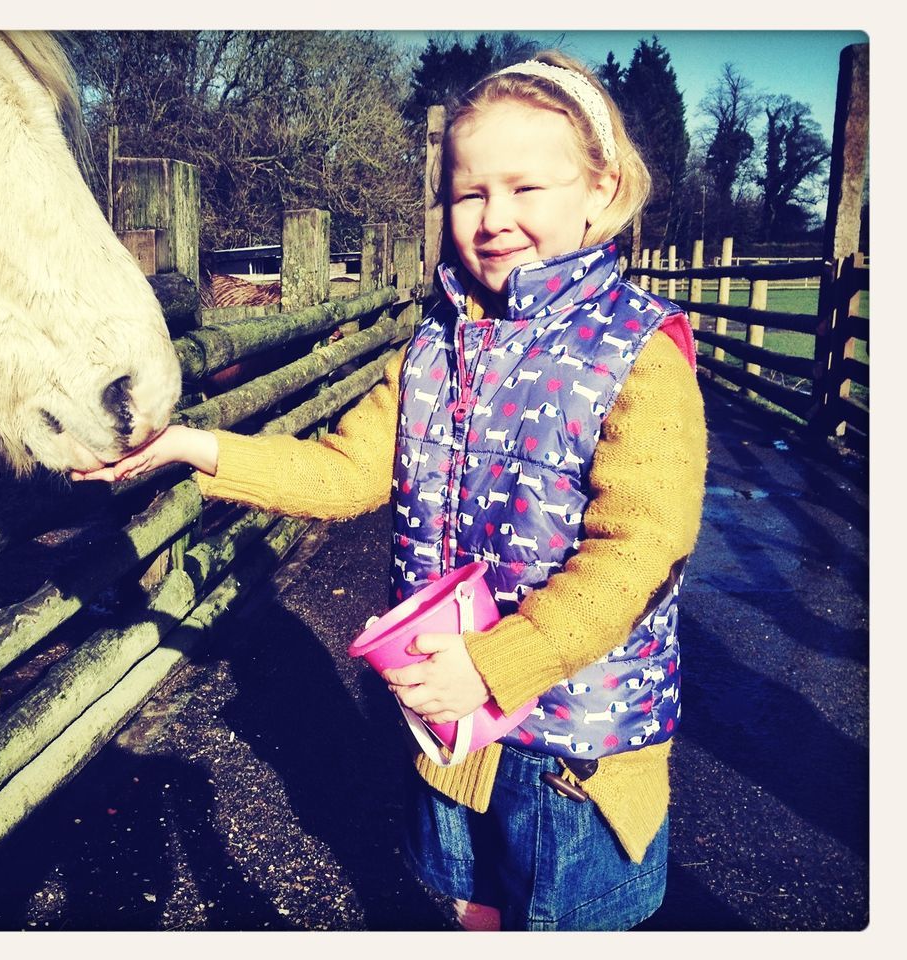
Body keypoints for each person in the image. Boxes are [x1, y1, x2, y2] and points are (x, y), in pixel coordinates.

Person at [72, 51, 707, 932]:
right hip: (449, 723)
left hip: (571, 748)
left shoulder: (638, 351)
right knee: (469, 910)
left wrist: (491, 668)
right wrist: (193, 445)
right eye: (469, 193)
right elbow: (342, 473)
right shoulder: (432, 352)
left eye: (527, 189)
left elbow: (640, 550)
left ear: (600, 191)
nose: (494, 219)